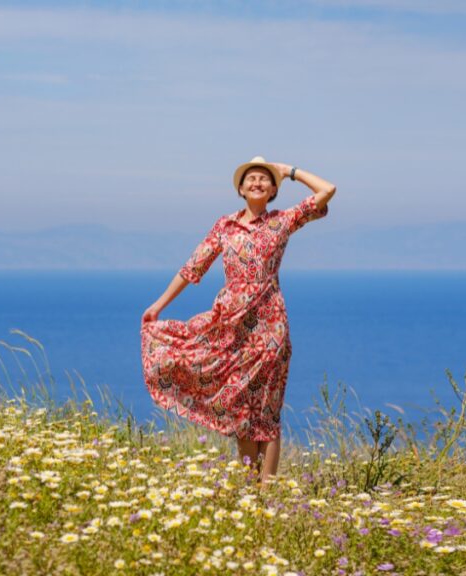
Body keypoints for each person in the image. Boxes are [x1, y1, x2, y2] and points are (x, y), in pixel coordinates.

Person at [140, 156, 336, 482]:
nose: (257, 183)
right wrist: (158, 305)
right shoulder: (225, 226)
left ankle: (268, 490)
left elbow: (327, 190)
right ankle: (248, 490)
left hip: (270, 326)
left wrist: (289, 171)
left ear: (273, 189)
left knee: (268, 410)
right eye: (251, 179)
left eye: (264, 179)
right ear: (241, 189)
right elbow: (193, 268)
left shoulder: (282, 221)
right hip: (230, 326)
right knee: (241, 410)